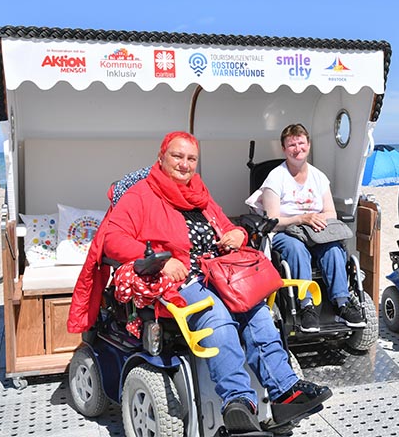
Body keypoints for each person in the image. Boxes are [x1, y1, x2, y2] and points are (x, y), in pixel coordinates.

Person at [103, 131, 331, 433]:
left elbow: (225, 226)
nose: (184, 164)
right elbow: (112, 239)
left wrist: (237, 233)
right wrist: (163, 259)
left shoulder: (199, 193)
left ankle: (285, 392)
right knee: (216, 316)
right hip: (177, 278)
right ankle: (238, 402)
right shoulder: (140, 195)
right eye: (177, 156)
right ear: (161, 157)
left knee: (258, 312)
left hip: (219, 272)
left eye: (191, 159)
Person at [256, 123, 364, 333]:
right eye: (291, 145)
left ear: (309, 145)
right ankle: (307, 306)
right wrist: (301, 218)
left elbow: (331, 212)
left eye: (301, 143)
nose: (297, 148)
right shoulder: (276, 177)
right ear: (284, 149)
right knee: (296, 249)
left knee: (333, 249)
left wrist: (315, 220)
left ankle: (342, 302)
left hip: (315, 230)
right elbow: (272, 220)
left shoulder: (319, 177)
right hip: (285, 231)